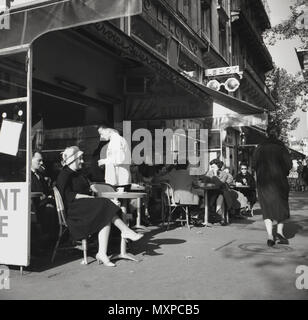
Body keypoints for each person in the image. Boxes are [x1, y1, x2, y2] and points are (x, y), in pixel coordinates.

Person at [56, 146, 143, 267]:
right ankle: (125, 231)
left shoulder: (79, 174)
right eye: (80, 159)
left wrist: (91, 192)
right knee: (104, 205)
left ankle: (102, 252)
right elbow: (68, 196)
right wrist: (90, 198)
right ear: (72, 160)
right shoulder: (64, 175)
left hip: (84, 207)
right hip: (74, 212)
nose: (82, 161)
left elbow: (87, 190)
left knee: (105, 213)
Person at [252, 125, 292, 247]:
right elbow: (289, 165)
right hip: (279, 181)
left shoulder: (259, 147)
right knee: (281, 206)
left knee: (266, 208)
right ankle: (280, 232)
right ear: (278, 134)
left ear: (267, 134)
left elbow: (254, 164)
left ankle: (270, 235)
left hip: (263, 182)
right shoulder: (281, 147)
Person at [31, 151, 58, 250]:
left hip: (43, 202)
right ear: (30, 159)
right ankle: (48, 240)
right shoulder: (25, 174)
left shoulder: (40, 174)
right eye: (39, 160)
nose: (42, 163)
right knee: (50, 209)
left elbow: (46, 190)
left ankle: (51, 239)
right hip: (34, 206)